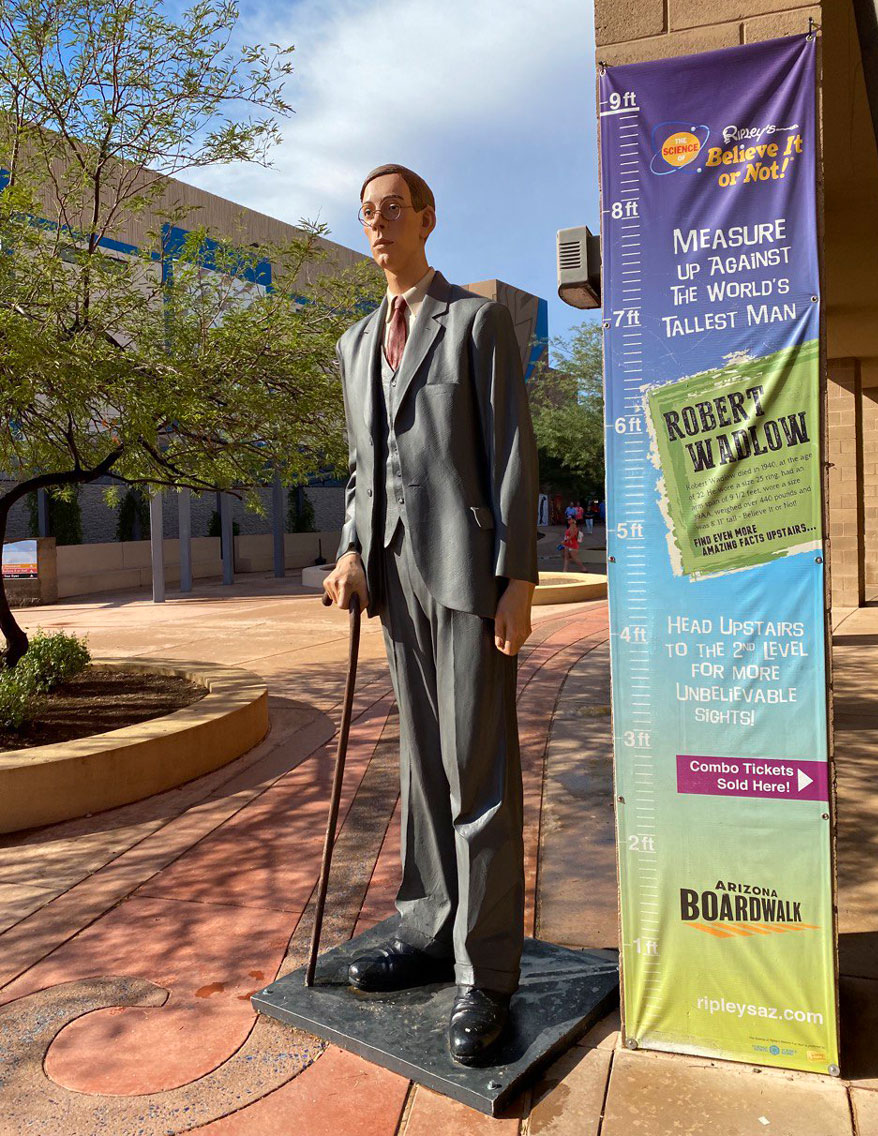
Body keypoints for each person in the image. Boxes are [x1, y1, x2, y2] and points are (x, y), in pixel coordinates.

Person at [323, 164, 538, 1066]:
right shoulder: (353, 341)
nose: (378, 224)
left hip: (464, 576)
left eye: (392, 209)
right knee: (420, 770)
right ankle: (427, 929)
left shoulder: (475, 322)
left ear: (427, 218)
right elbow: (362, 467)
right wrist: (346, 548)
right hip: (391, 582)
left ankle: (483, 976)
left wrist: (518, 576)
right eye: (367, 213)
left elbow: (513, 451)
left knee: (477, 772)